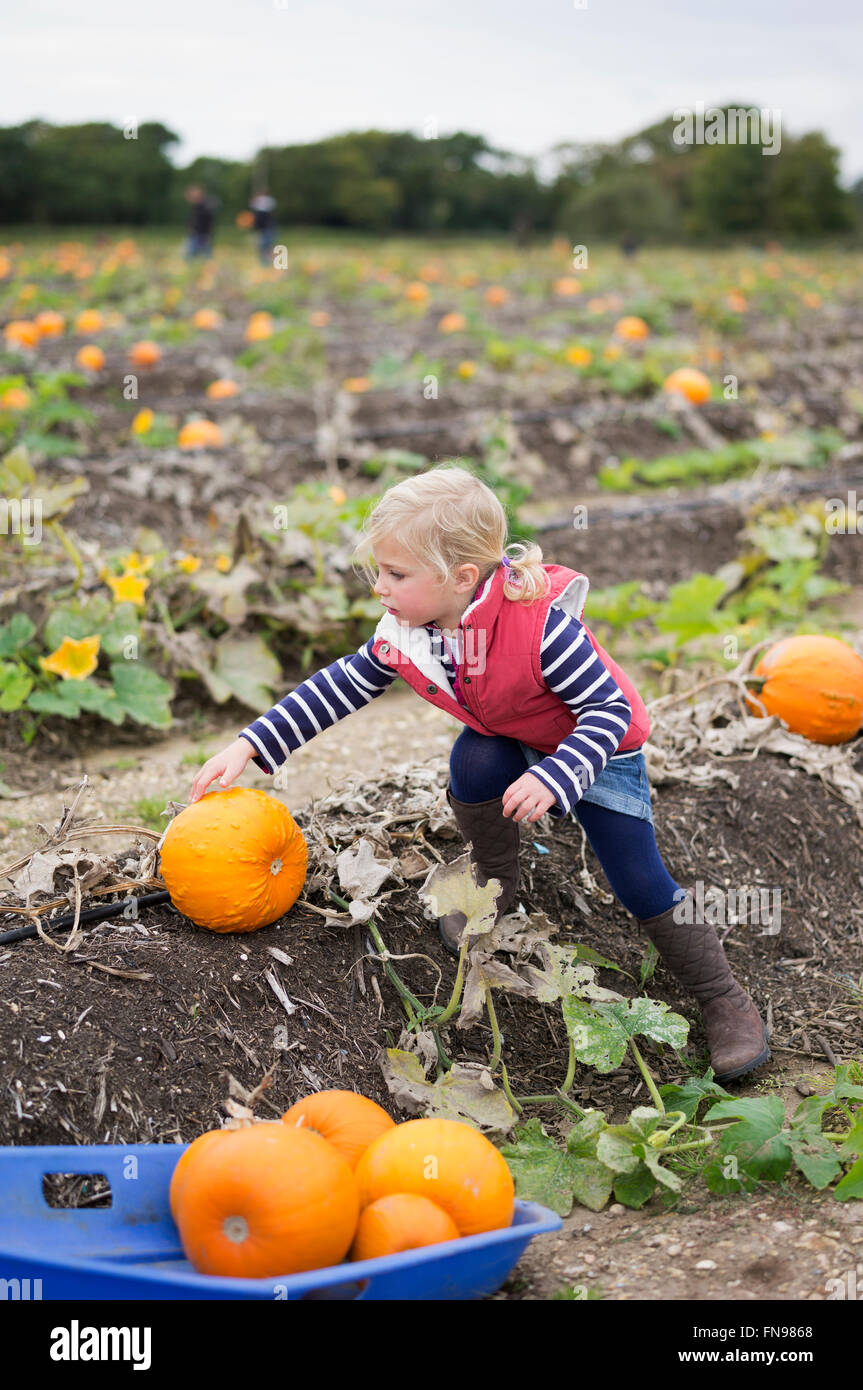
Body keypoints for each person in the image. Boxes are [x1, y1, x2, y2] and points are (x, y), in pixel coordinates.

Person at [189, 464, 770, 1085]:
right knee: (472, 763)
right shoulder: (413, 629)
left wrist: (558, 776)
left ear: (461, 577)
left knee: (637, 879)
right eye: (379, 571)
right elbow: (340, 687)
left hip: (596, 746)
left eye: (396, 574)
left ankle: (722, 997)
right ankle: (497, 878)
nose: (380, 588)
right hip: (515, 735)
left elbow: (611, 710)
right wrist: (251, 745)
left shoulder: (543, 629)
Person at [183, 185, 217, 260]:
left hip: (203, 234)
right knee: (190, 255)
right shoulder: (196, 206)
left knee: (204, 255)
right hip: (195, 233)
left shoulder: (205, 205)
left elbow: (208, 221)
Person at [248, 191, 277, 267]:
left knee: (264, 249)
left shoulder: (259, 213)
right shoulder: (266, 212)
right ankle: (269, 263)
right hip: (269, 231)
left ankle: (266, 264)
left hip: (265, 232)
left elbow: (258, 224)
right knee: (268, 248)